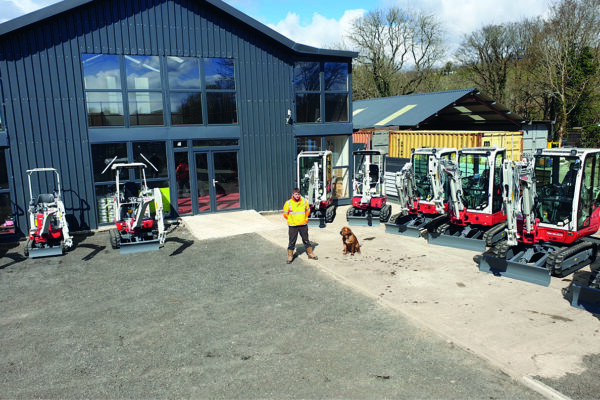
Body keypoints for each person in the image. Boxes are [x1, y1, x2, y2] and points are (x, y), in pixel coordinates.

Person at [282, 187, 318, 264]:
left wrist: (303, 219)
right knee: (292, 241)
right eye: (296, 194)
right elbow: (285, 214)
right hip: (293, 225)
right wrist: (292, 219)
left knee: (306, 240)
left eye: (298, 194)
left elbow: (308, 211)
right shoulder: (288, 203)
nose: (297, 196)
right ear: (293, 195)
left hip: (303, 224)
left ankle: (310, 254)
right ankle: (290, 256)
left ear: (300, 194)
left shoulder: (304, 202)